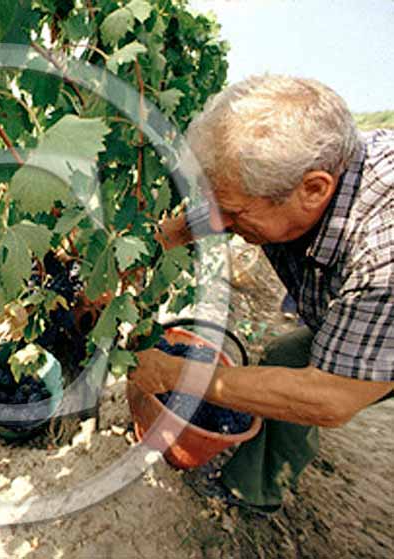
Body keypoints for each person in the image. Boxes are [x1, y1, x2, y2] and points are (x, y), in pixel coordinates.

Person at [132, 74, 394, 513]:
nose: (222, 222)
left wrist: (178, 375)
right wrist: (158, 242)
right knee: (288, 358)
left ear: (314, 189)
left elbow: (333, 397)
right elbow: (218, 209)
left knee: (310, 386)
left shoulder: (383, 249)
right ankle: (256, 488)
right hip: (364, 311)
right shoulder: (297, 173)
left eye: (234, 213)